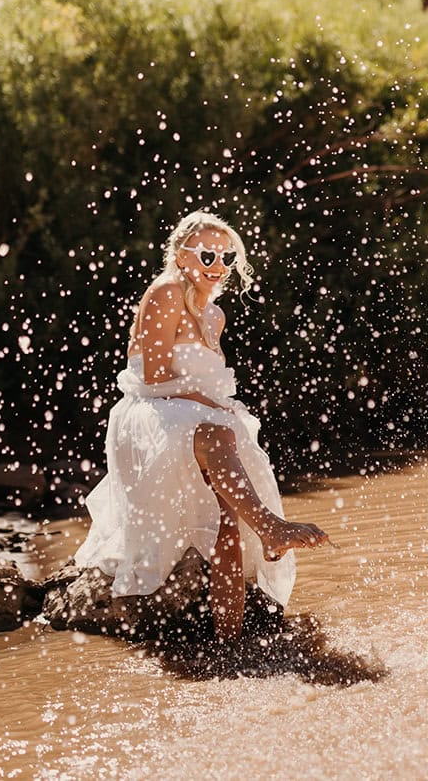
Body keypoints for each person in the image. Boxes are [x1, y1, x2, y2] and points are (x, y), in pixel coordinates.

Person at [74, 211, 328, 639]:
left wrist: (215, 408)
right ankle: (271, 528)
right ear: (180, 254)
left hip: (200, 421)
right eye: (207, 254)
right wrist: (209, 405)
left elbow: (211, 389)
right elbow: (153, 378)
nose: (218, 266)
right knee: (217, 433)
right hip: (148, 415)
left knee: (228, 513)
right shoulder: (166, 292)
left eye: (227, 257)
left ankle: (228, 639)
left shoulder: (215, 316)